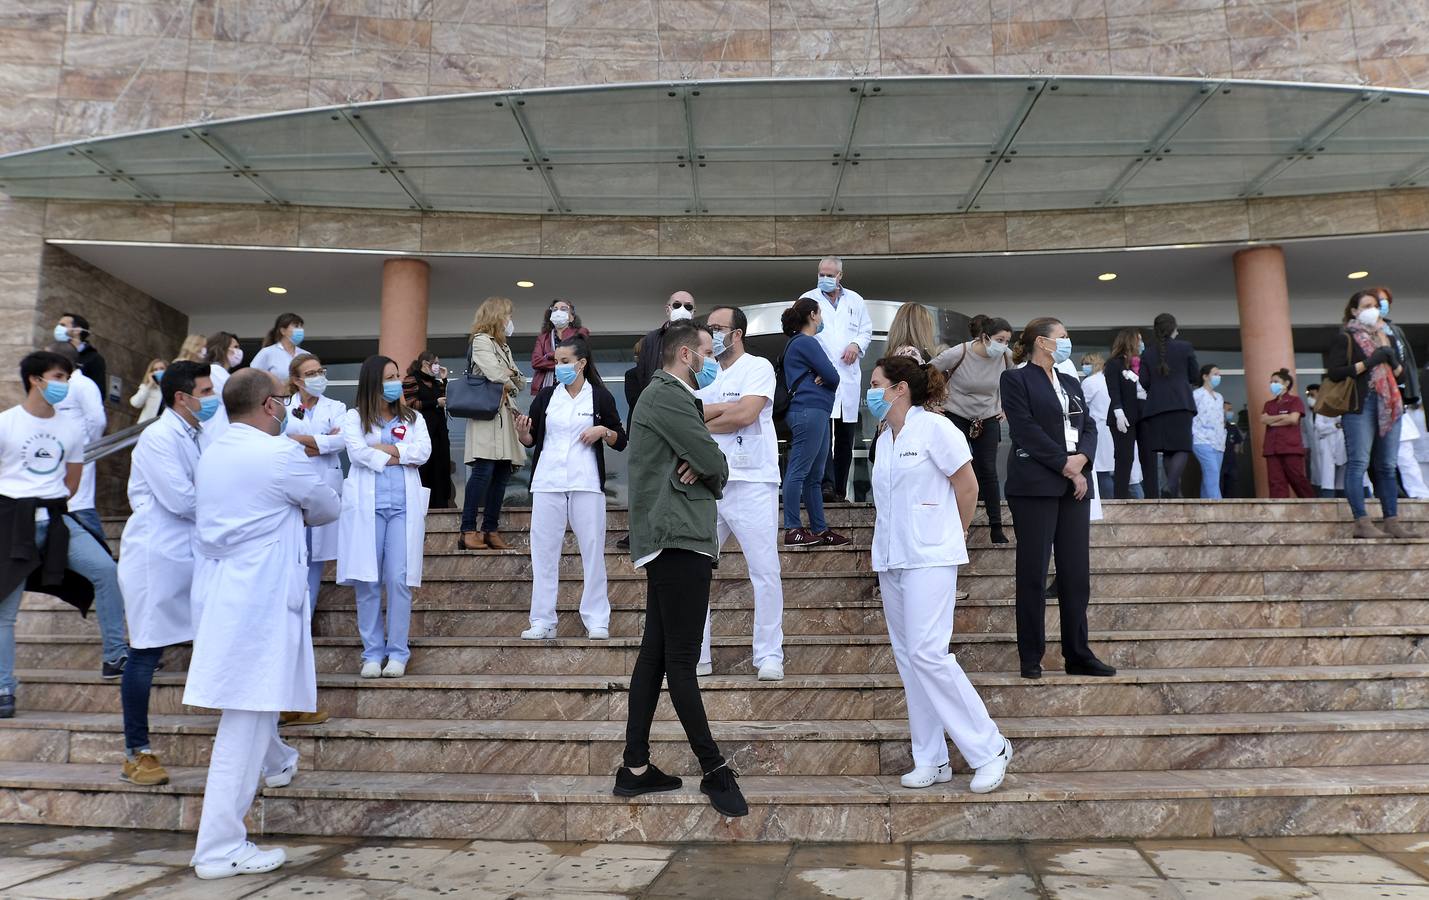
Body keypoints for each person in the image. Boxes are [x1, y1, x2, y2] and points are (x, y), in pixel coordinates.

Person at [185, 369, 340, 880]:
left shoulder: (215, 452)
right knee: (246, 720)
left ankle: (277, 761)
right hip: (259, 598)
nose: (290, 406)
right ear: (271, 406)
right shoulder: (278, 455)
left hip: (227, 590)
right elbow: (326, 505)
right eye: (285, 399)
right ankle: (218, 847)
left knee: (253, 706)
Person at [614, 320, 747, 818]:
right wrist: (708, 464)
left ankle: (635, 768)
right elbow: (717, 462)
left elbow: (705, 459)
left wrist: (703, 461)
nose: (712, 360)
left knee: (655, 656)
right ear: (687, 354)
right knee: (682, 660)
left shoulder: (664, 398)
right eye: (708, 352)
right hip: (678, 538)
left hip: (670, 536)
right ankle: (713, 768)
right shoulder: (668, 395)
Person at [866, 355, 1013, 792]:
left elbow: (967, 486)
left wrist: (957, 533)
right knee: (911, 663)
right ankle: (931, 759)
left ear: (899, 389)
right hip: (892, 558)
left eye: (876, 384)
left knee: (930, 654)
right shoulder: (885, 438)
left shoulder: (936, 428)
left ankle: (989, 747)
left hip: (931, 555)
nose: (870, 392)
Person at [0, 351, 129, 718]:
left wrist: (48, 500)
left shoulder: (71, 428)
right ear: (35, 380)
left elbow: (71, 481)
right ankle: (3, 687)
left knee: (105, 570)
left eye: (67, 377)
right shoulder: (6, 423)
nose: (64, 384)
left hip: (57, 519)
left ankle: (115, 656)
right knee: (5, 612)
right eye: (58, 376)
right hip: (12, 522)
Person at [116, 360, 214, 786]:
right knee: (146, 653)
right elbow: (182, 499)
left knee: (219, 638)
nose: (211, 399)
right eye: (206, 392)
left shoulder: (197, 433)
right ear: (181, 397)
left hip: (191, 555)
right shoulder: (158, 437)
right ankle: (136, 752)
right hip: (157, 559)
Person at [1001, 318, 1116, 680]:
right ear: (1042, 342)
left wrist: (1082, 460)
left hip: (1075, 485)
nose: (1068, 342)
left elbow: (1091, 426)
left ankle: (1078, 654)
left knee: (1075, 575)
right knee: (1033, 573)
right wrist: (1066, 465)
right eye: (1063, 337)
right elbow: (1025, 429)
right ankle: (1031, 656)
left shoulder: (1070, 381)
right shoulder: (1015, 379)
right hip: (1036, 484)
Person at [515, 336, 626, 641]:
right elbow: (531, 439)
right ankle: (542, 620)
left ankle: (596, 619)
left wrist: (602, 431)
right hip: (548, 481)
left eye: (565, 362)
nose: (559, 367)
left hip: (586, 481)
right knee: (543, 552)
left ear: (581, 364)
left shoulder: (600, 397)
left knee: (591, 550)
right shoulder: (547, 396)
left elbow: (621, 438)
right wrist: (524, 434)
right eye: (556, 362)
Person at [696, 306, 785, 681]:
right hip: (707, 483)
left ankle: (769, 656)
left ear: (737, 334)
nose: (712, 334)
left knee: (764, 571)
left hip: (752, 483)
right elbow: (684, 415)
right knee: (696, 570)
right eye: (708, 328)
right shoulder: (702, 373)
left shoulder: (758, 367)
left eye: (718, 328)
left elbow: (746, 415)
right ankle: (696, 656)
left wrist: (708, 416)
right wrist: (718, 413)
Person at [338, 356, 431, 679]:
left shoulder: (414, 417)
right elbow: (357, 453)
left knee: (398, 579)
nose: (396, 383)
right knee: (368, 581)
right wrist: (400, 455)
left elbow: (423, 453)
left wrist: (386, 450)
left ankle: (397, 653)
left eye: (397, 376)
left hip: (403, 508)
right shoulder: (355, 418)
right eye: (389, 378)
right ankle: (372, 654)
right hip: (368, 508)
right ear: (373, 384)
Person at [283, 353, 346, 716]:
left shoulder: (336, 406)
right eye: (310, 373)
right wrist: (318, 440)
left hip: (323, 487)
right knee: (296, 554)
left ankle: (303, 624)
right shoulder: (286, 406)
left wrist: (307, 441)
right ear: (296, 380)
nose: (318, 377)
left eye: (321, 370)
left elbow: (341, 442)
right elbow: (281, 436)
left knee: (315, 561)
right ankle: (295, 622)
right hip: (291, 490)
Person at [1325, 290, 1409, 539]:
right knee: (1359, 463)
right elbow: (1336, 373)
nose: (1373, 309)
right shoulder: (1347, 338)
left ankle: (1391, 520)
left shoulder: (1388, 337)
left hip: (1390, 404)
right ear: (1354, 311)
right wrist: (1371, 361)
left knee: (1386, 465)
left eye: (1375, 305)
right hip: (1361, 405)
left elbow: (1401, 376)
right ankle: (1362, 521)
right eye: (1367, 305)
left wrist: (1391, 359)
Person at [931, 315, 1014, 543]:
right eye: (1000, 340)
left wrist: (1007, 408)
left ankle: (996, 526)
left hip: (987, 415)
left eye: (1007, 341)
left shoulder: (1006, 357)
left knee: (988, 469)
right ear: (985, 337)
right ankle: (948, 518)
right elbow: (926, 372)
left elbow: (1017, 383)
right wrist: (929, 404)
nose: (1004, 346)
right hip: (956, 413)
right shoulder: (960, 352)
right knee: (953, 466)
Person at [799, 256, 872, 503]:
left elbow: (866, 330)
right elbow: (802, 336)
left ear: (841, 276)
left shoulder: (856, 300)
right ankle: (825, 486)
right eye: (821, 274)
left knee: (844, 439)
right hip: (820, 378)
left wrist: (856, 344)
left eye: (830, 275)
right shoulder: (808, 299)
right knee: (822, 438)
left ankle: (840, 488)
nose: (825, 279)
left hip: (848, 378)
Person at [780, 297, 848, 547]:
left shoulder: (800, 344)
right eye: (819, 313)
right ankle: (792, 527)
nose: (821, 318)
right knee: (800, 470)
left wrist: (824, 375)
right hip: (809, 410)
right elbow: (833, 375)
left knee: (814, 474)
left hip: (814, 411)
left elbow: (829, 376)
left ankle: (820, 529)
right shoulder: (807, 342)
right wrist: (823, 375)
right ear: (812, 315)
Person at [458, 297, 525, 551]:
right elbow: (497, 375)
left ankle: (490, 529)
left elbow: (519, 382)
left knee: (502, 472)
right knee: (483, 470)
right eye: (507, 315)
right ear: (497, 317)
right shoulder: (481, 341)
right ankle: (467, 530)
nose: (510, 321)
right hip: (486, 415)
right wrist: (508, 376)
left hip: (505, 415)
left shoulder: (503, 347)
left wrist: (509, 376)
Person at [46, 342, 107, 542]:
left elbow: (97, 421)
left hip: (80, 458)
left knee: (82, 514)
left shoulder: (84, 385)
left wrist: (87, 446)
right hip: (53, 463)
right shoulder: (50, 388)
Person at [1137, 314, 1199, 499]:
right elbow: (1194, 375)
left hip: (1156, 407)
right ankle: (1170, 485)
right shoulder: (1185, 347)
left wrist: (1157, 389)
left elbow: (1144, 380)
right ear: (1173, 329)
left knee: (1167, 449)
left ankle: (1173, 491)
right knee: (1182, 447)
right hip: (1181, 404)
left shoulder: (1147, 352)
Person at [403, 351, 453, 509]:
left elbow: (448, 398)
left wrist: (445, 379)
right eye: (435, 363)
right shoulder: (412, 379)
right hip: (422, 431)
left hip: (439, 432)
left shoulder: (437, 383)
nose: (438, 366)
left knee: (442, 467)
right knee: (424, 467)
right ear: (425, 363)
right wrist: (435, 403)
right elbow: (411, 403)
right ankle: (422, 506)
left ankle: (441, 504)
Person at [630, 291, 698, 404]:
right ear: (667, 309)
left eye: (688, 306)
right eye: (676, 305)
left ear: (693, 312)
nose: (682, 309)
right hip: (658, 400)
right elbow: (643, 374)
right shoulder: (651, 339)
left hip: (692, 401)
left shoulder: (701, 337)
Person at [1102, 327, 1144, 499]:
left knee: (1145, 458)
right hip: (1122, 418)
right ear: (1130, 341)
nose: (1141, 344)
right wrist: (1119, 412)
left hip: (1141, 416)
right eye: (1139, 340)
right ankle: (1120, 497)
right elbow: (1114, 390)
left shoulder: (1141, 363)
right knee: (1124, 458)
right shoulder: (1114, 364)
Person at [1262, 369, 1313, 499]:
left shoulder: (1295, 401)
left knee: (1297, 478)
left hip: (1290, 447)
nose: (1272, 385)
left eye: (1275, 382)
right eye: (1271, 382)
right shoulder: (1269, 404)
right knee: (1275, 482)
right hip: (1272, 448)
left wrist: (1273, 420)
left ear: (1286, 383)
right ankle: (1279, 512)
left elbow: (1293, 419)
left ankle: (1312, 504)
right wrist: (1283, 417)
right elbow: (1263, 419)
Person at [530, 298, 590, 395]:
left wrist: (548, 356)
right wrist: (565, 363)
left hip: (573, 387)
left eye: (563, 309)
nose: (558, 312)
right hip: (546, 388)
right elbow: (536, 362)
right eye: (555, 309)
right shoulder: (543, 338)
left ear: (572, 317)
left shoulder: (580, 333)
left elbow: (578, 359)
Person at [1373, 286, 1420, 409]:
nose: (1384, 303)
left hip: (1398, 385)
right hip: (1376, 387)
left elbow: (1406, 358)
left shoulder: (1395, 329)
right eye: (1380, 299)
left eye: (1386, 299)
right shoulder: (1362, 329)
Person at [201, 331, 244, 447]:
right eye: (235, 347)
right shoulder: (214, 371)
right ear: (223, 348)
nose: (238, 351)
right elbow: (236, 399)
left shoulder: (221, 372)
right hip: (215, 432)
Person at [1191, 364, 1226, 499]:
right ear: (1205, 376)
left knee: (1212, 476)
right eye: (1215, 374)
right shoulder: (1196, 395)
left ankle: (1205, 507)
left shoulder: (1219, 397)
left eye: (1219, 374)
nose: (1218, 377)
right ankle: (1218, 507)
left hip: (1218, 442)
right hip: (1201, 439)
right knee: (1212, 471)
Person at [55, 312, 106, 392]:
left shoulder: (93, 359)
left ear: (77, 330)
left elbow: (99, 392)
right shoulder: (54, 354)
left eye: (63, 325)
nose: (58, 328)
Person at [251, 313, 311, 379]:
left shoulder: (306, 355)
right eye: (296, 326)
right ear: (283, 331)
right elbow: (252, 377)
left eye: (301, 326)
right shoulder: (267, 352)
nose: (301, 330)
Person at [1222, 402, 1245, 499]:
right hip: (1218, 464)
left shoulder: (1232, 427)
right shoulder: (1213, 427)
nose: (1231, 412)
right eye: (1229, 409)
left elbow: (1238, 445)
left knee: (1232, 491)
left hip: (1231, 465)